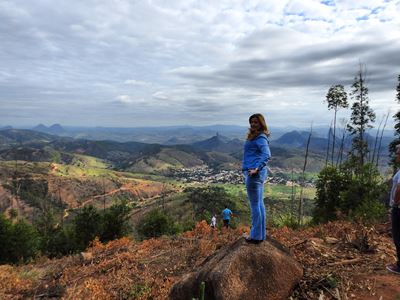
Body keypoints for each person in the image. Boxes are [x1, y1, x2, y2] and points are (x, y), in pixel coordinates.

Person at [242, 113, 271, 244]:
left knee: (255, 205)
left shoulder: (261, 138)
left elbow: (267, 154)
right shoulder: (258, 137)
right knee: (259, 204)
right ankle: (260, 235)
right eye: (251, 122)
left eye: (256, 122)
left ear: (261, 123)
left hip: (254, 175)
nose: (253, 124)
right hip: (257, 174)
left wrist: (256, 168)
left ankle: (254, 235)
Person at [387, 144, 400, 274]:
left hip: (399, 209)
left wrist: (395, 204)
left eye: (397, 153)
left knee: (397, 237)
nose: (396, 155)